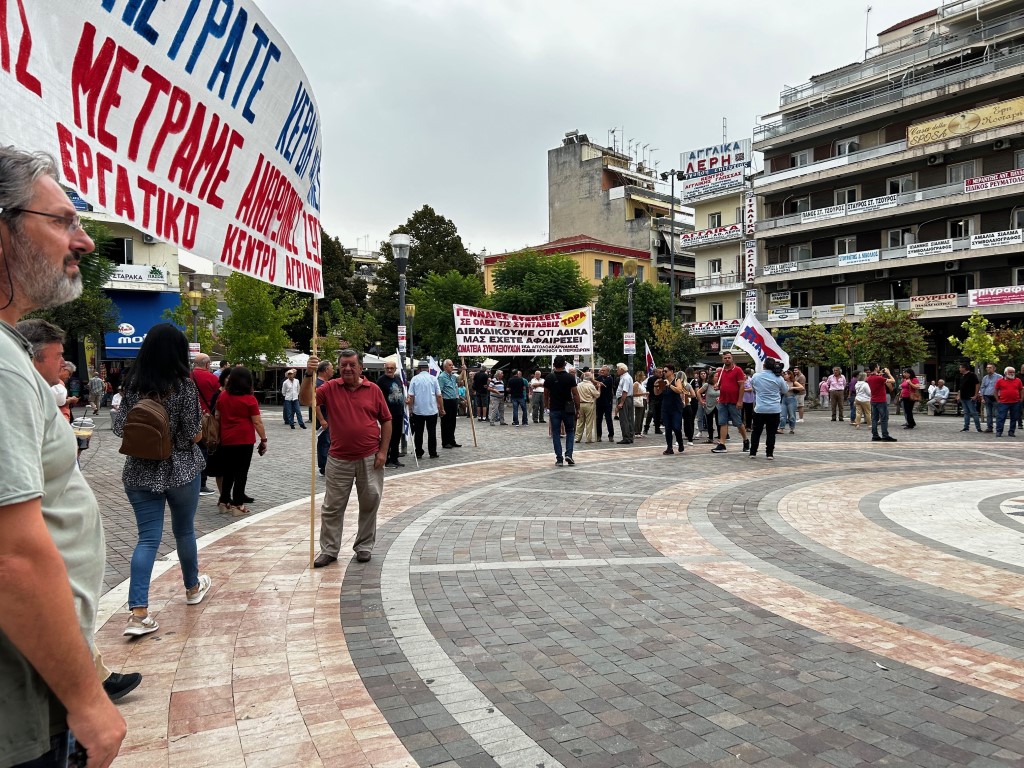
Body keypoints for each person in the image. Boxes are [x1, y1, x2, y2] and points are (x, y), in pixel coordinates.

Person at [0, 148, 127, 766]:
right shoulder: (3, 366)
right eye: (62, 221)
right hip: (23, 709)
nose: (84, 242)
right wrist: (87, 697)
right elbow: (12, 557)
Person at [17, 320, 143, 703]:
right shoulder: (19, 396)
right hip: (46, 551)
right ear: (34, 357)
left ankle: (94, 672)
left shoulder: (36, 393)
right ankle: (86, 686)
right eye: (58, 357)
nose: (64, 365)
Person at [113, 323, 213, 639]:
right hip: (181, 470)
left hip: (139, 473)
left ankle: (138, 613)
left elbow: (119, 430)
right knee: (184, 530)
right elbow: (192, 433)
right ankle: (192, 588)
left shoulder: (131, 387)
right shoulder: (183, 386)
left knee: (147, 539)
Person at [310, 350, 392, 567]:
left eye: (351, 365)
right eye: (343, 365)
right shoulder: (330, 388)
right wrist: (308, 375)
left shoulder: (373, 390)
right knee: (332, 507)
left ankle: (364, 546)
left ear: (360, 368)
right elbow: (306, 400)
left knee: (370, 502)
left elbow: (386, 420)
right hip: (338, 458)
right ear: (338, 367)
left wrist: (383, 451)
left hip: (369, 457)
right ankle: (329, 550)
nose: (347, 368)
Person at [211, 365, 267, 516]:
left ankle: (224, 501)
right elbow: (257, 422)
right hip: (244, 439)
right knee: (241, 472)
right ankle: (238, 504)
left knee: (228, 471)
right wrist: (264, 439)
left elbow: (217, 416)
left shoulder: (223, 396)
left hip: (226, 438)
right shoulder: (250, 399)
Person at [191, 353, 221, 496]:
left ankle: (192, 481)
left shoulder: (188, 377)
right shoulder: (212, 378)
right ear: (208, 365)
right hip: (207, 418)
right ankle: (201, 484)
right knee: (205, 449)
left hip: (190, 417)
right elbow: (218, 398)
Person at [748, 361, 789, 460]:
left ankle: (753, 452)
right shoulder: (778, 378)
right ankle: (769, 453)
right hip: (774, 409)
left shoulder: (756, 376)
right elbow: (785, 390)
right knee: (771, 432)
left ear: (764, 366)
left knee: (756, 431)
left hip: (760, 408)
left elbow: (753, 387)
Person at [544, 356, 580, 467]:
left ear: (554, 365)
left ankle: (559, 459)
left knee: (556, 433)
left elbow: (546, 394)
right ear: (564, 365)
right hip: (568, 408)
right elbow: (575, 394)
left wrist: (546, 406)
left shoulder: (549, 377)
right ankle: (569, 454)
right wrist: (578, 408)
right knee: (570, 431)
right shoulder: (570, 377)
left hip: (554, 408)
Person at [371, 360, 406, 469]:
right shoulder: (381, 381)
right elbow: (377, 397)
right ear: (384, 368)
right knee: (388, 437)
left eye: (392, 368)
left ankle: (394, 458)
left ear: (395, 369)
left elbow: (401, 392)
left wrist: (406, 400)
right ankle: (388, 459)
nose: (389, 370)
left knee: (396, 436)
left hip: (399, 412)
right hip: (388, 414)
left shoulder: (398, 379)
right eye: (387, 368)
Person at [711, 352, 748, 454]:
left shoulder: (738, 370)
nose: (727, 359)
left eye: (729, 358)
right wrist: (716, 386)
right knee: (722, 422)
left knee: (738, 423)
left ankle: (745, 440)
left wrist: (740, 400)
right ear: (722, 359)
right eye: (725, 358)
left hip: (734, 401)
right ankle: (722, 444)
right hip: (723, 400)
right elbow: (719, 385)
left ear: (732, 359)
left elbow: (741, 386)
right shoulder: (721, 371)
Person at [407, 361, 443, 459]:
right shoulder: (433, 379)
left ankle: (418, 452)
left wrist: (410, 409)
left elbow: (411, 396)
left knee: (418, 432)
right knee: (432, 432)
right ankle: (433, 452)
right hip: (432, 410)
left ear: (418, 369)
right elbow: (439, 395)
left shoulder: (414, 379)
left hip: (418, 410)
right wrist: (441, 408)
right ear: (428, 369)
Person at [313, 360, 335, 473]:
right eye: (331, 368)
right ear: (326, 370)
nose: (333, 371)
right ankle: (324, 466)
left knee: (329, 441)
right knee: (324, 441)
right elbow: (315, 404)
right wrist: (321, 420)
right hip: (324, 418)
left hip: (328, 417)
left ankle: (327, 464)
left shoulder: (326, 383)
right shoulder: (318, 384)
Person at [867, 363, 897, 442]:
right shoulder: (879, 378)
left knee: (874, 419)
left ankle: (875, 435)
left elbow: (876, 377)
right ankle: (885, 435)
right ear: (875, 368)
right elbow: (893, 381)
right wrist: (888, 373)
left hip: (873, 400)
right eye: (878, 366)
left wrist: (880, 374)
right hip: (881, 400)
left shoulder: (869, 378)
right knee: (884, 418)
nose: (879, 367)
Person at [660, 364, 686, 455]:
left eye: (665, 371)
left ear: (671, 371)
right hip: (666, 408)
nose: (664, 372)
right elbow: (657, 393)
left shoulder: (676, 380)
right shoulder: (663, 381)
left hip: (676, 408)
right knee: (668, 429)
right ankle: (669, 448)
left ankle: (680, 443)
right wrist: (656, 386)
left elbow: (679, 390)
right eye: (663, 371)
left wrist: (669, 385)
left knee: (676, 427)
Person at [438, 359, 462, 448]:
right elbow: (439, 391)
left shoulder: (453, 376)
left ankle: (452, 440)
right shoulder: (441, 377)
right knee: (445, 422)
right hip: (446, 401)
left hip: (453, 400)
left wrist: (463, 370)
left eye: (452, 365)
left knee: (452, 422)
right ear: (445, 367)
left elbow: (460, 380)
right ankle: (445, 442)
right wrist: (440, 406)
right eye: (450, 365)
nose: (452, 366)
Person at [994, 366, 1024, 438]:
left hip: (1015, 402)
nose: (1012, 373)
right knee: (1001, 417)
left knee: (1014, 418)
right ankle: (999, 431)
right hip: (1003, 402)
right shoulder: (1000, 381)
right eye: (1010, 372)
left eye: (1013, 372)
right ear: (1005, 373)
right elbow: (995, 390)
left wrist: (1021, 399)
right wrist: (998, 400)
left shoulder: (1018, 380)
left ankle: (1011, 431)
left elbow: (1021, 390)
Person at [575, 371, 599, 444]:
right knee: (589, 422)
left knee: (580, 422)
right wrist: (599, 388)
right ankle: (588, 439)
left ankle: (577, 438)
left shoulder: (578, 385)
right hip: (589, 404)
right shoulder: (590, 385)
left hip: (580, 404)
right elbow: (597, 395)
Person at [595, 364, 616, 442]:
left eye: (604, 370)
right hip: (599, 402)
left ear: (608, 371)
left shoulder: (610, 378)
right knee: (598, 419)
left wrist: (591, 379)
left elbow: (601, 384)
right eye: (601, 370)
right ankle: (598, 435)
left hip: (607, 402)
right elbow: (595, 384)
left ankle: (611, 435)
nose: (602, 372)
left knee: (608, 419)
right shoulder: (599, 378)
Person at [614, 362, 634, 444]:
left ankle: (626, 437)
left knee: (624, 419)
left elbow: (625, 391)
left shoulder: (625, 378)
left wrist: (621, 403)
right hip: (628, 399)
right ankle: (630, 436)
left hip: (625, 399)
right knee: (629, 418)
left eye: (618, 369)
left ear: (622, 369)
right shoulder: (627, 377)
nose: (617, 371)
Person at [959, 362, 982, 433]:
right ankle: (966, 427)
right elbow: (961, 387)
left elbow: (977, 384)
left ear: (964, 368)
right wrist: (959, 395)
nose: (959, 369)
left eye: (960, 367)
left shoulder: (972, 375)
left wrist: (976, 395)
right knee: (966, 413)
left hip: (970, 397)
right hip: (963, 397)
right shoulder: (963, 376)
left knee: (974, 412)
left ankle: (978, 428)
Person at [980, 362, 1002, 433]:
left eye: (990, 367)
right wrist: (982, 397)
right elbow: (982, 387)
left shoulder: (999, 377)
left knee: (998, 413)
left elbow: (1002, 387)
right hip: (987, 397)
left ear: (994, 368)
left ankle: (999, 428)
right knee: (989, 414)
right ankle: (989, 427)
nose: (988, 369)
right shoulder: (985, 378)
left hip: (996, 397)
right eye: (987, 368)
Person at [643, 367, 664, 436]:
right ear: (655, 372)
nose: (661, 373)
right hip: (653, 398)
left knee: (659, 413)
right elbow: (648, 389)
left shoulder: (663, 379)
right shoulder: (651, 379)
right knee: (650, 412)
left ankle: (657, 428)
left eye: (662, 372)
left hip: (660, 398)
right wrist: (648, 398)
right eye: (659, 372)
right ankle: (646, 428)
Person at [699, 369, 719, 444]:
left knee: (719, 422)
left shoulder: (719, 385)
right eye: (716, 376)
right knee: (709, 423)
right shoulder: (707, 385)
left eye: (717, 376)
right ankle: (710, 438)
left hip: (718, 406)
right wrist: (701, 401)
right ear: (712, 377)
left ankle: (720, 437)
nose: (717, 377)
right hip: (709, 405)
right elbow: (698, 392)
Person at [633, 369, 648, 438]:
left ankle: (639, 431)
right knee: (638, 416)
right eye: (643, 375)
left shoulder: (642, 384)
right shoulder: (636, 384)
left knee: (642, 416)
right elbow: (634, 394)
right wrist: (644, 393)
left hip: (643, 400)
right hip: (639, 400)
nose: (645, 376)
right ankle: (636, 431)